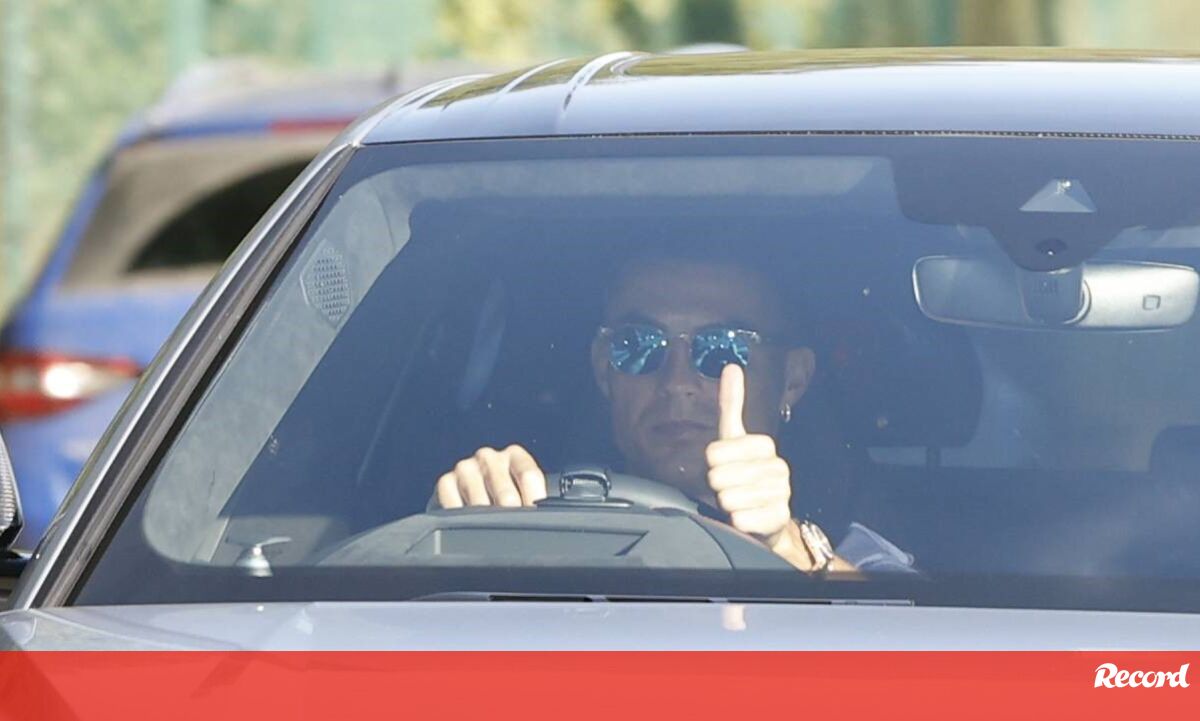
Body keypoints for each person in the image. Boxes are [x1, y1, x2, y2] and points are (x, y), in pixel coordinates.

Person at [434, 248, 915, 575]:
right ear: (604, 370)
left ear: (793, 379)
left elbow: (906, 645)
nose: (677, 381)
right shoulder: (535, 520)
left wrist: (786, 547)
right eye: (639, 346)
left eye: (721, 349)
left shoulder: (847, 530)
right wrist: (463, 527)